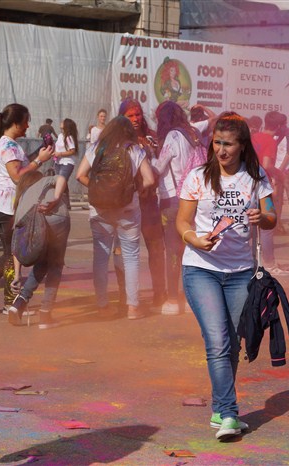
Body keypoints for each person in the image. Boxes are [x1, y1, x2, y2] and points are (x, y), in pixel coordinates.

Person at [175, 112, 276, 440]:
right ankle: (230, 414)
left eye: (228, 144)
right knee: (217, 340)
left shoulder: (256, 177)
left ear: (242, 145)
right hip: (200, 269)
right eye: (217, 143)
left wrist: (263, 217)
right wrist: (194, 239)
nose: (221, 149)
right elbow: (181, 222)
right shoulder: (198, 177)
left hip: (240, 273)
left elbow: (272, 216)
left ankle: (220, 409)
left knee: (232, 343)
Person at [76, 116, 155, 319]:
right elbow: (149, 179)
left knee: (101, 258)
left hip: (100, 210)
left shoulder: (97, 148)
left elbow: (80, 175)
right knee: (131, 257)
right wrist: (135, 190)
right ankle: (133, 307)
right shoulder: (134, 149)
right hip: (128, 210)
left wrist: (98, 190)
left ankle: (102, 306)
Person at [0, 104, 55, 313]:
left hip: (5, 204)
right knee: (13, 255)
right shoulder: (8, 145)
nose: (28, 126)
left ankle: (11, 301)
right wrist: (39, 160)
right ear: (16, 123)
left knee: (10, 254)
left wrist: (40, 156)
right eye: (26, 121)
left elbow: (22, 168)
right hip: (6, 206)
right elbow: (18, 176)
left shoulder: (9, 144)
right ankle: (11, 302)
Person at [152, 101, 211, 316]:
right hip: (194, 199)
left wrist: (149, 157)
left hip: (173, 199)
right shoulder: (193, 133)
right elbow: (213, 120)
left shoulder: (172, 137)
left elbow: (159, 167)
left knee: (173, 251)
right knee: (191, 250)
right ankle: (189, 299)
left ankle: (172, 299)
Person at [7, 171, 70, 328]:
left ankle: (19, 303)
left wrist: (17, 274)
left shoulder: (21, 200)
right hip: (57, 217)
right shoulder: (44, 181)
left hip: (35, 226)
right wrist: (56, 198)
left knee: (42, 263)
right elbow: (61, 177)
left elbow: (17, 243)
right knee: (55, 265)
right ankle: (45, 314)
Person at [119, 99, 167, 306]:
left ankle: (159, 292)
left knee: (156, 248)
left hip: (149, 202)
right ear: (122, 117)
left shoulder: (151, 137)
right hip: (125, 202)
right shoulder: (117, 138)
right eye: (130, 115)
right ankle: (124, 296)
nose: (135, 119)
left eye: (137, 114)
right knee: (123, 251)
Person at [251, 111, 288, 275]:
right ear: (278, 127)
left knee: (251, 226)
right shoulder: (270, 141)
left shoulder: (254, 137)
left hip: (248, 184)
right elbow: (266, 164)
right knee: (266, 227)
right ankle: (269, 264)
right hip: (262, 185)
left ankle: (254, 261)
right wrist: (279, 174)